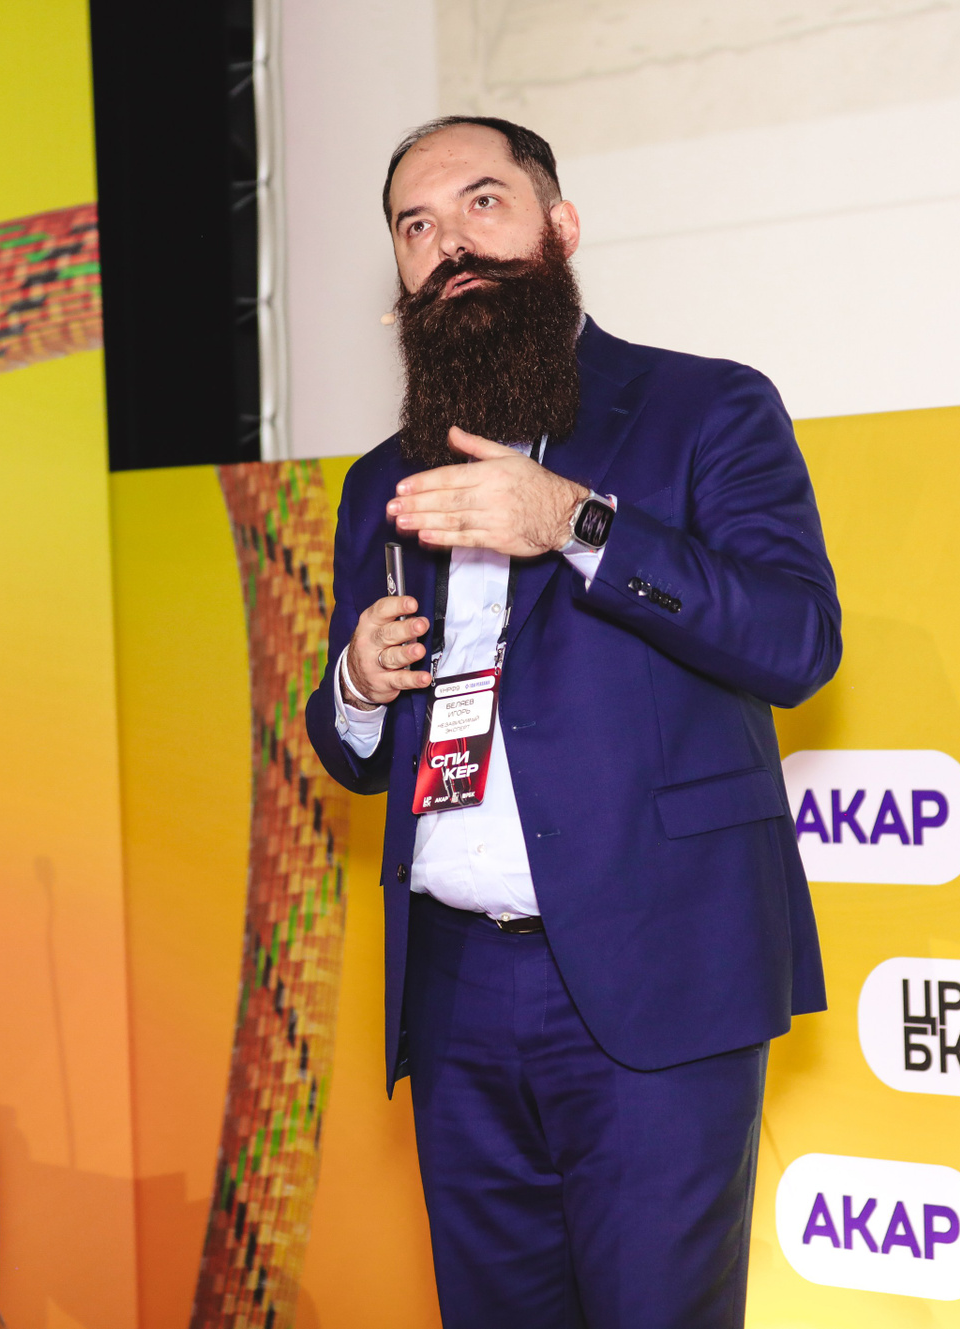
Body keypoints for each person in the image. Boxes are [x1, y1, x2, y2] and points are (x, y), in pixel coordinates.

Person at [304, 116, 841, 1328]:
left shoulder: (705, 407)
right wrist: (358, 685)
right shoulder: (381, 480)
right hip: (453, 994)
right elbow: (350, 752)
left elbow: (797, 640)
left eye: (482, 204)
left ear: (561, 226)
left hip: (659, 974)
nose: (451, 245)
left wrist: (575, 524)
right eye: (417, 226)